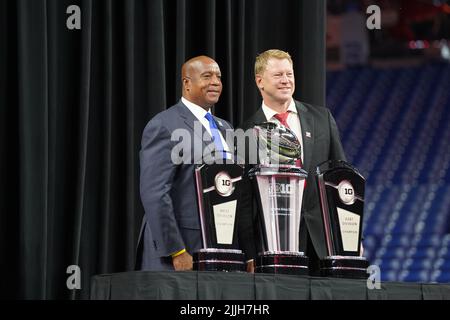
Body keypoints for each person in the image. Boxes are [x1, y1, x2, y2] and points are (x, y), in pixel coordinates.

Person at [239, 49, 347, 273]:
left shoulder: (322, 118)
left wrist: (351, 238)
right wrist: (249, 254)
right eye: (278, 75)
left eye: (289, 74)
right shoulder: (247, 131)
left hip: (323, 241)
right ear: (260, 81)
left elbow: (340, 178)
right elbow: (245, 201)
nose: (286, 80)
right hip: (273, 244)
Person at [136, 55, 234, 271]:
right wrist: (176, 250)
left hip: (217, 250)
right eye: (207, 76)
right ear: (187, 83)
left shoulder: (225, 128)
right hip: (178, 254)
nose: (215, 82)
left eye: (218, 77)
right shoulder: (164, 125)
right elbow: (154, 192)